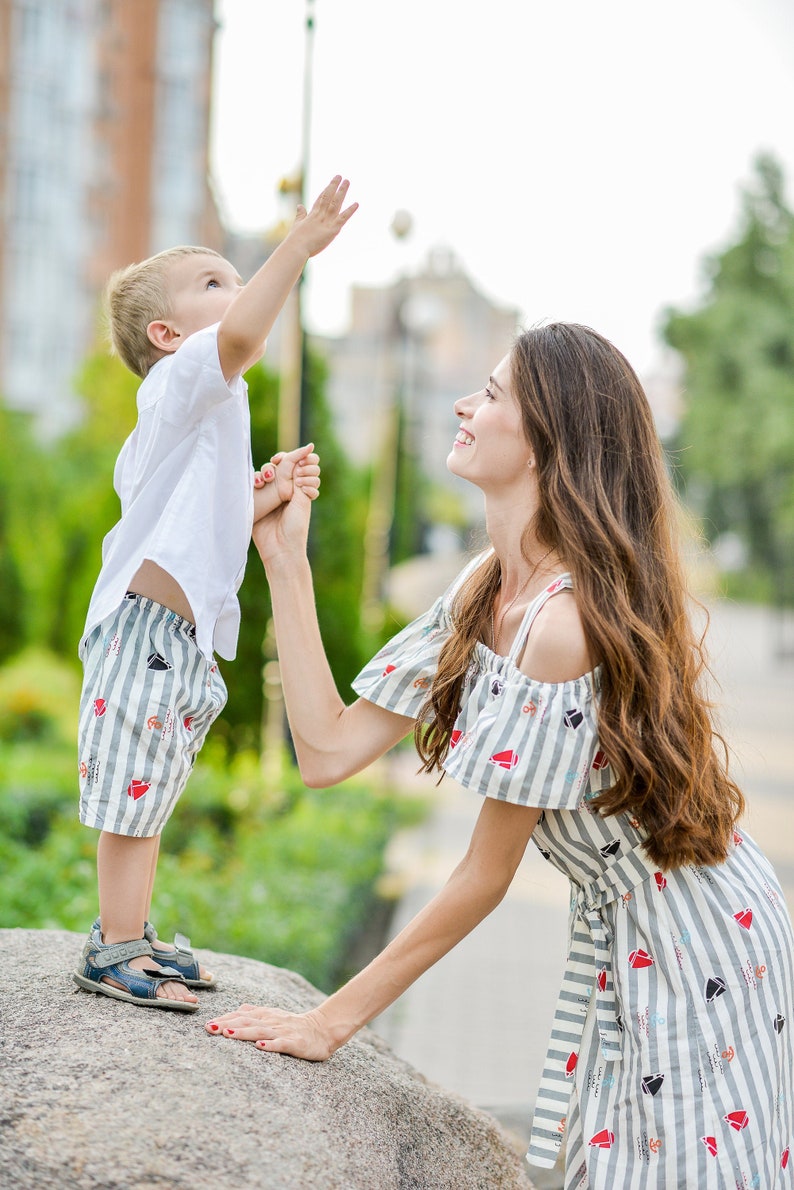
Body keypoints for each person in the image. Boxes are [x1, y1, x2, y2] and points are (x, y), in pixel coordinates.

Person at [206, 322, 794, 1187]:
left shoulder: (561, 627)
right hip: (630, 933)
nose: (463, 404)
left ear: (547, 436)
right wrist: (283, 558)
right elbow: (326, 751)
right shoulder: (485, 586)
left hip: (699, 941)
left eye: (490, 393)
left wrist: (331, 1023)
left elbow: (482, 877)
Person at [73, 176, 357, 1012]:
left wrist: (265, 498)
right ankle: (114, 945)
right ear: (167, 334)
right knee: (131, 791)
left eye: (236, 278)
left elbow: (209, 528)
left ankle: (133, 930)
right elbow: (238, 335)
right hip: (145, 630)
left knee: (150, 786)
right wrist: (295, 249)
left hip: (179, 640)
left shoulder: (209, 412)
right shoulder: (178, 384)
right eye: (214, 283)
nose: (236, 294)